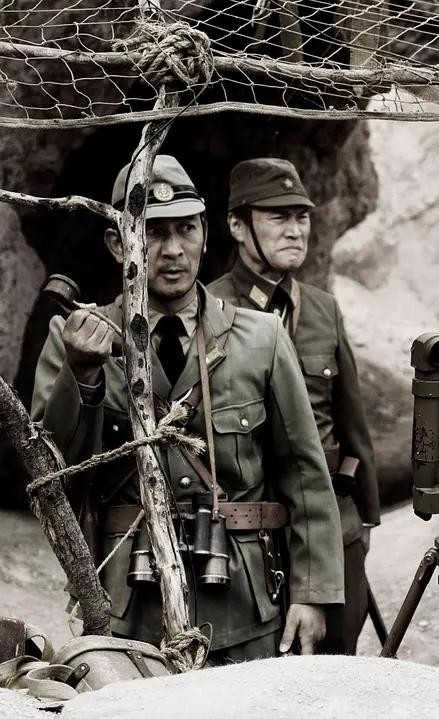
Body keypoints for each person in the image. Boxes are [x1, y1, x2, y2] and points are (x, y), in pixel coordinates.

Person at [32, 155, 344, 664]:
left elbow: (304, 473)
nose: (173, 250)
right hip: (129, 609)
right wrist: (82, 375)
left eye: (186, 228)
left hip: (243, 604)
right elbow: (56, 478)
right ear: (118, 243)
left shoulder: (262, 338)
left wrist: (312, 592)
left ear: (205, 232)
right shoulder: (74, 340)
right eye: (153, 232)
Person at [207, 158, 380, 655]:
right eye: (278, 216)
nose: (295, 230)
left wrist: (362, 522)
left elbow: (351, 419)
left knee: (338, 658)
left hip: (332, 521)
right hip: (250, 529)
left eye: (301, 216)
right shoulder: (209, 310)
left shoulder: (323, 308)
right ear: (237, 226)